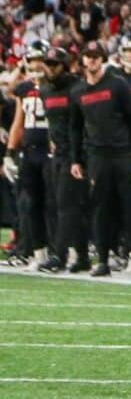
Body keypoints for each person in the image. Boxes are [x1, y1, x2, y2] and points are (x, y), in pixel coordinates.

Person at [69, 40, 131, 277]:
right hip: (97, 156)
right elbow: (75, 127)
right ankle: (103, 259)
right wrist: (76, 159)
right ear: (82, 59)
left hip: (123, 153)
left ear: (103, 58)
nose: (92, 59)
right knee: (101, 209)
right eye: (88, 55)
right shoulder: (78, 91)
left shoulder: (118, 85)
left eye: (96, 55)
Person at [38, 46, 89, 272]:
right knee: (62, 204)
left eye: (54, 64)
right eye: (47, 64)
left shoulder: (77, 89)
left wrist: (79, 157)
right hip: (58, 153)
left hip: (75, 153)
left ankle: (59, 255)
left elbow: (84, 124)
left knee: (67, 205)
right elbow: (52, 122)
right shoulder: (45, 89)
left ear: (64, 65)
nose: (49, 68)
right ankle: (83, 256)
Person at [4, 40, 53, 269]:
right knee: (30, 204)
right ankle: (38, 252)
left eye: (40, 60)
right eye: (32, 60)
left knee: (54, 203)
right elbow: (18, 122)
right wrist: (10, 152)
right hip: (30, 151)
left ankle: (60, 251)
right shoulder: (24, 89)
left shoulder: (58, 85)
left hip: (51, 151)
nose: (37, 65)